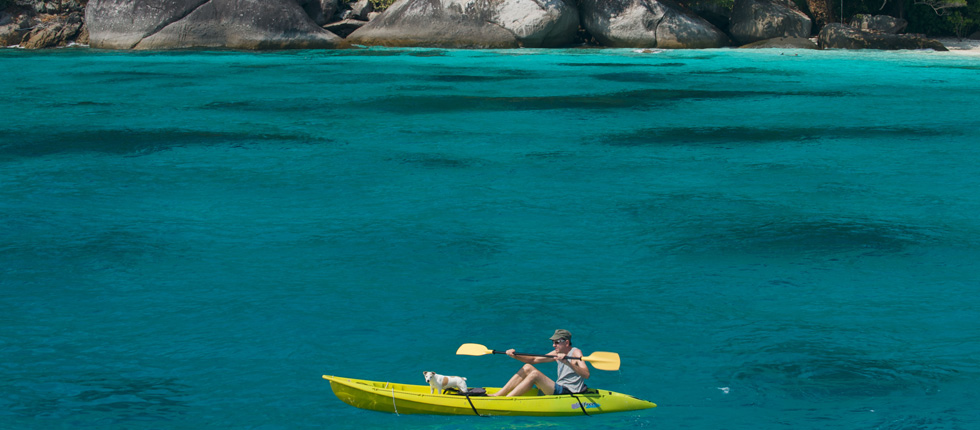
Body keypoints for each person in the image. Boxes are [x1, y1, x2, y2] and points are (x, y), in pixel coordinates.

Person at [489, 329, 590, 397]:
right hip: (559, 387)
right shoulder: (557, 353)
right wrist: (514, 355)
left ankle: (506, 400)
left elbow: (586, 374)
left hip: (569, 392)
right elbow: (533, 360)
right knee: (527, 367)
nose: (554, 345)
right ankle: (498, 395)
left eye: (557, 342)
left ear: (567, 343)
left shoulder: (576, 353)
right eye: (553, 342)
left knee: (535, 375)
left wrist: (568, 363)